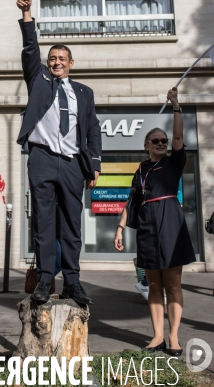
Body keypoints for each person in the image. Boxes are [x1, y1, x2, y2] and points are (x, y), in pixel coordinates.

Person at [16, 0, 102, 305]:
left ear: (70, 64)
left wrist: (94, 164)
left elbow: (92, 129)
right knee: (44, 222)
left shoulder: (84, 92)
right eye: (52, 59)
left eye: (61, 59)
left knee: (71, 225)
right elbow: (29, 49)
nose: (56, 63)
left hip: (71, 164)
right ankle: (45, 280)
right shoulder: (38, 79)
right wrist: (28, 17)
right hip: (41, 159)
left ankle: (74, 282)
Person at [114, 87, 195, 356]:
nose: (162, 143)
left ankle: (173, 337)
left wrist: (176, 106)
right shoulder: (140, 169)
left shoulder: (173, 163)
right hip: (147, 229)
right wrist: (120, 227)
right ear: (147, 146)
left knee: (172, 285)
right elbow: (131, 201)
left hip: (170, 225)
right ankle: (157, 335)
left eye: (164, 141)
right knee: (154, 286)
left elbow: (179, 135)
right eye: (156, 141)